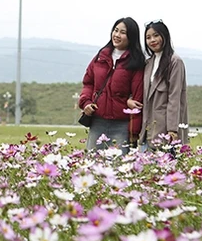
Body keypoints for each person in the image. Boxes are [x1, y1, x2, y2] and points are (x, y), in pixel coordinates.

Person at [78, 17, 145, 152]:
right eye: (115, 30)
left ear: (131, 37)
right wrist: (86, 102)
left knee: (119, 167)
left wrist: (134, 132)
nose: (117, 35)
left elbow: (138, 98)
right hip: (97, 122)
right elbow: (88, 83)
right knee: (93, 165)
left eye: (122, 32)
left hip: (122, 126)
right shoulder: (100, 57)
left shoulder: (136, 62)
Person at [127, 20, 188, 148]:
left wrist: (172, 129)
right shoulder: (148, 63)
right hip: (147, 128)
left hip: (165, 130)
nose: (152, 40)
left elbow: (175, 98)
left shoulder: (175, 62)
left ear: (164, 36)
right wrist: (130, 100)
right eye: (148, 37)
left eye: (156, 35)